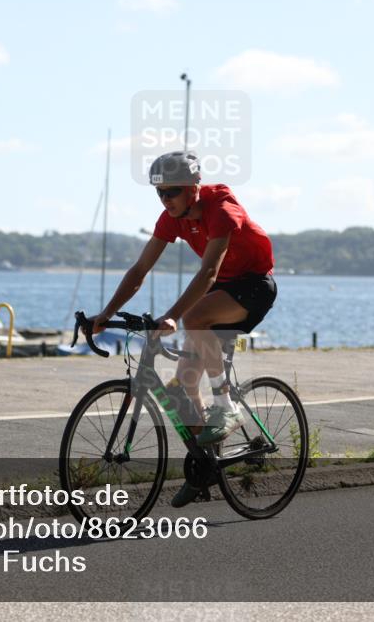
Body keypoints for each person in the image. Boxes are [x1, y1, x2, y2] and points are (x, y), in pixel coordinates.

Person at [85, 150, 277, 507]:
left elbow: (209, 273)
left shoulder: (222, 210)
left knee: (194, 318)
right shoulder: (171, 219)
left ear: (193, 188)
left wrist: (174, 315)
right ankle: (206, 467)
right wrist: (106, 313)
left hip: (254, 286)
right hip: (223, 289)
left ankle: (226, 406)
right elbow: (139, 271)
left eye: (171, 191)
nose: (164, 199)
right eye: (159, 192)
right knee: (183, 385)